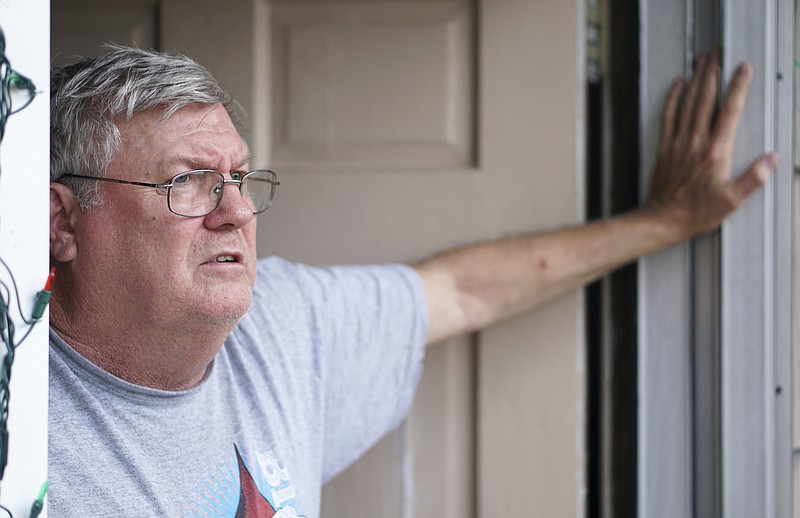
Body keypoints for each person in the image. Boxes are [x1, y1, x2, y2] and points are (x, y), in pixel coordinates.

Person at [47, 46, 775, 517]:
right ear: (64, 224)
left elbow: (461, 290)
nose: (237, 211)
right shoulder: (32, 438)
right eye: (187, 183)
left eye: (239, 178)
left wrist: (669, 222)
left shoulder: (277, 327)